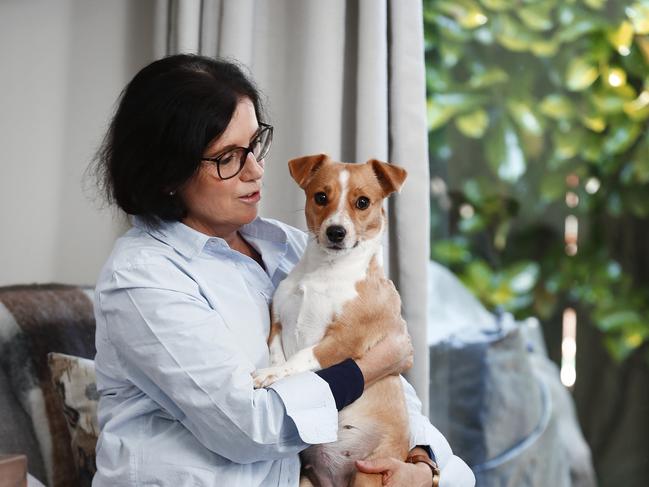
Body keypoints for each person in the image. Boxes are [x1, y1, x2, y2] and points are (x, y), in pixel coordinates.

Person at [91, 54, 475, 487]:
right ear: (166, 174)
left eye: (255, 146)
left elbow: (392, 397)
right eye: (227, 158)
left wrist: (424, 466)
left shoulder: (293, 247)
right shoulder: (143, 279)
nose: (256, 170)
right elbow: (246, 427)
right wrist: (368, 366)